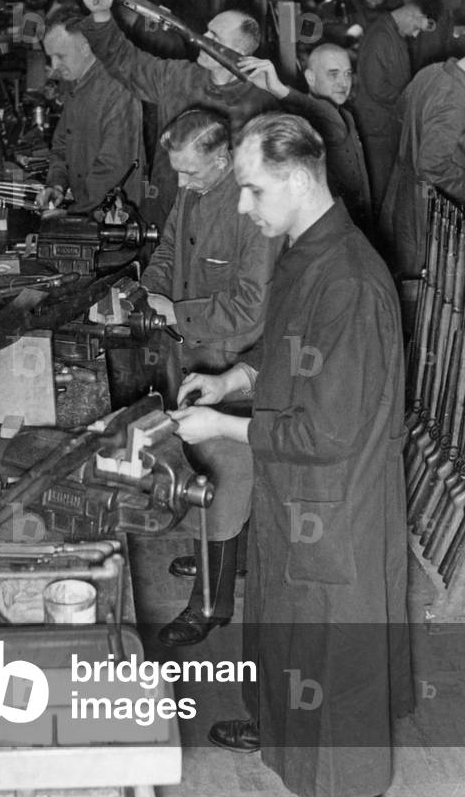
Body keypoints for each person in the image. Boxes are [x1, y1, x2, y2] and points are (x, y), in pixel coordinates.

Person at [172, 113, 413, 797]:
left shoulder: (351, 284)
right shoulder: (308, 251)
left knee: (329, 658)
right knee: (283, 629)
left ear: (299, 180)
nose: (242, 208)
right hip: (296, 498)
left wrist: (221, 426)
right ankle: (280, 731)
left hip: (333, 508)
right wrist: (233, 379)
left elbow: (327, 432)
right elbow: (287, 357)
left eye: (252, 191)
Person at [140, 107, 280, 646]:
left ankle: (210, 606)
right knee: (204, 468)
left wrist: (176, 312)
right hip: (197, 355)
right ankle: (221, 559)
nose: (180, 182)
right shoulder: (194, 190)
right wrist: (146, 294)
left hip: (241, 366)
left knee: (226, 476)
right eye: (176, 171)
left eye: (190, 172)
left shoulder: (251, 211)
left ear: (223, 159)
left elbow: (251, 310)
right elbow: (169, 249)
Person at [75, 0, 275, 228]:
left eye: (215, 36)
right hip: (163, 213)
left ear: (239, 53)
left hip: (222, 224)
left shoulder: (262, 104)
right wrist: (100, 13)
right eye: (206, 30)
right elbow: (126, 62)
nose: (201, 38)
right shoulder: (178, 77)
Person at [238, 46, 372, 233]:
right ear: (310, 78)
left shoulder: (347, 114)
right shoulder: (305, 117)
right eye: (333, 74)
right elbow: (320, 110)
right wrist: (280, 90)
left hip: (356, 223)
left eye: (348, 74)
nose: (344, 82)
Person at [38, 7, 143, 213]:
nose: (54, 65)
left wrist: (75, 214)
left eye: (60, 56)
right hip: (88, 211)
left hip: (113, 217)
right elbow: (61, 145)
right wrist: (57, 185)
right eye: (50, 57)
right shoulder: (77, 83)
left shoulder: (117, 89)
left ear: (86, 47)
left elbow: (113, 165)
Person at [380, 54, 465, 279]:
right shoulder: (456, 99)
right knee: (427, 282)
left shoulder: (430, 72)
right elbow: (432, 166)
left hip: (406, 191)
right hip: (428, 206)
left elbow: (399, 113)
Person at [354, 3, 430, 215]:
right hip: (377, 125)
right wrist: (407, 101)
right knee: (380, 184)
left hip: (386, 122)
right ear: (409, 16)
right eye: (415, 28)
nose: (415, 35)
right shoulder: (380, 36)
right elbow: (376, 86)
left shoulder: (391, 33)